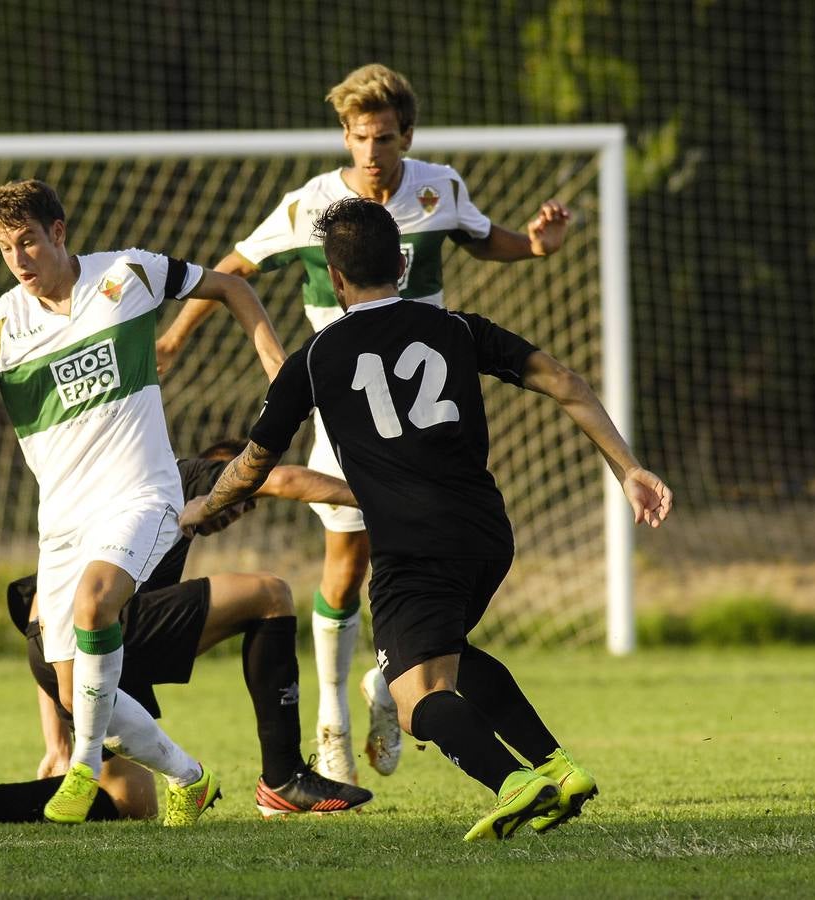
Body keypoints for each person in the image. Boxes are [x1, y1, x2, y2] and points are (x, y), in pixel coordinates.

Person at [182, 198, 672, 840]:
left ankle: (513, 782)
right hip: (488, 535)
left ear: (333, 276)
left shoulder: (317, 356)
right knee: (450, 657)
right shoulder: (460, 329)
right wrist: (628, 468)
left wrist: (205, 505)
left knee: (414, 700)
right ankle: (558, 764)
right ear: (403, 263)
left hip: (414, 549)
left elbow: (252, 463)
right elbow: (566, 382)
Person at [155, 63, 571, 785]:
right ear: (344, 138)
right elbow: (233, 265)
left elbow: (485, 239)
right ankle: (333, 724)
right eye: (357, 137)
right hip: (348, 418)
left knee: (420, 566)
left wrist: (534, 245)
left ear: (405, 135)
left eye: (382, 137)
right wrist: (170, 339)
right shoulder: (313, 204)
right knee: (343, 570)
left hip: (423, 425)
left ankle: (390, 688)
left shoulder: (438, 188)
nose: (370, 152)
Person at [0, 179, 285, 826]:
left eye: (29, 241)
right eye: (6, 248)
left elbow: (230, 285)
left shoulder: (128, 273)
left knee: (97, 603)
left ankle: (82, 767)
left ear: (58, 232)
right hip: (61, 524)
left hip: (142, 495)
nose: (18, 259)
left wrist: (275, 369)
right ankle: (191, 777)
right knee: (76, 690)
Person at [0, 445, 375, 829]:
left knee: (130, 802)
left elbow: (41, 615)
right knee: (270, 594)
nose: (235, 513)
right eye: (239, 497)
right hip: (93, 637)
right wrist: (379, 494)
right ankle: (282, 777)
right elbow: (285, 479)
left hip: (67, 650)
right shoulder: (183, 477)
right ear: (222, 469)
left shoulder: (119, 494)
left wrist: (58, 739)